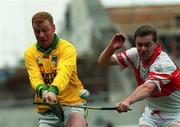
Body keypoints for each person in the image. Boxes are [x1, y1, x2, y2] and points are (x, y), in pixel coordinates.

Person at [98, 24, 180, 127]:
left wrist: (126, 101)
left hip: (175, 114)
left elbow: (147, 88)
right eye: (139, 45)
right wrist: (111, 48)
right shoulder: (134, 54)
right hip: (152, 114)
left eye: (147, 45)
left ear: (155, 44)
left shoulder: (164, 63)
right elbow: (103, 62)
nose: (143, 49)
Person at [24, 11, 87, 127]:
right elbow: (35, 77)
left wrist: (53, 91)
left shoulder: (67, 48)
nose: (41, 35)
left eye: (45, 30)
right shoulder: (30, 53)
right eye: (37, 31)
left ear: (53, 28)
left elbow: (64, 72)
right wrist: (44, 92)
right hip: (48, 111)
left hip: (72, 104)